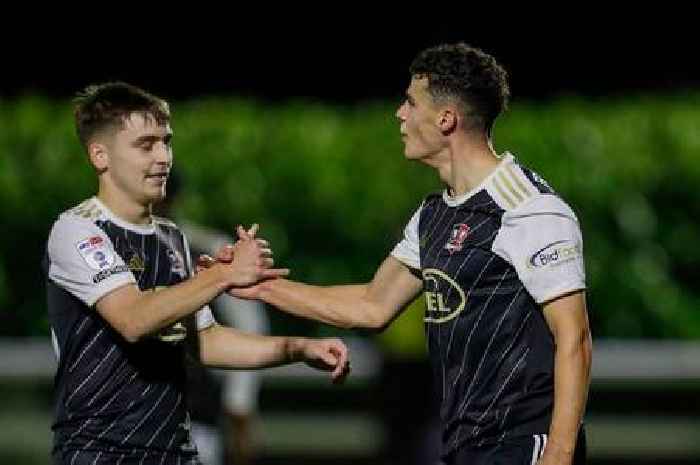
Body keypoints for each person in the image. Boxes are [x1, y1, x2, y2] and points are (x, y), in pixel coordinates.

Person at [211, 43, 592, 465]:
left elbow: (573, 337)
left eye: (411, 103)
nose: (400, 114)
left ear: (446, 119)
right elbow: (372, 306)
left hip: (523, 445)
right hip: (463, 446)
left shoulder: (528, 208)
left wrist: (558, 453)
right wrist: (256, 285)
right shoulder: (432, 215)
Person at [43, 81, 350, 465]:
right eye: (146, 144)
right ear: (100, 155)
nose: (163, 157)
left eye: (166, 142)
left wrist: (297, 349)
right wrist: (221, 276)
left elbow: (205, 341)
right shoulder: (77, 229)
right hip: (99, 452)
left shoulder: (172, 239)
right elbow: (133, 318)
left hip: (176, 451)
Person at [157, 171, 270, 465]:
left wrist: (239, 403)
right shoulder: (107, 248)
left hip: (194, 417)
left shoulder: (206, 250)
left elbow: (249, 326)